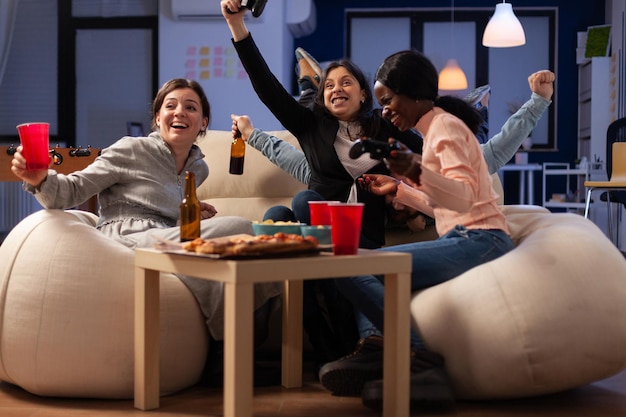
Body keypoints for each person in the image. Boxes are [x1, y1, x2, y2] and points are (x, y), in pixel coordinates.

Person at [10, 78, 281, 380]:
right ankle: (230, 355)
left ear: (203, 122)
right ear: (157, 118)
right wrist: (39, 179)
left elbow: (160, 209)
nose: (180, 112)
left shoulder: (198, 169)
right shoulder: (131, 149)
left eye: (191, 107)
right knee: (242, 228)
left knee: (255, 244)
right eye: (170, 106)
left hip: (162, 239)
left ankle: (234, 355)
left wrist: (187, 215)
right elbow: (71, 191)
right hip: (123, 241)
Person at [317, 50, 517, 411]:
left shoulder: (444, 129)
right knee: (358, 263)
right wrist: (399, 189)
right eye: (381, 104)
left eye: (389, 101)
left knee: (351, 265)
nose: (386, 112)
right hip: (468, 237)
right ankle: (380, 350)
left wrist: (412, 168)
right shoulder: (437, 127)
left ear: (413, 93)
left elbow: (463, 199)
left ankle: (418, 360)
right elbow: (448, 202)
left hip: (482, 239)